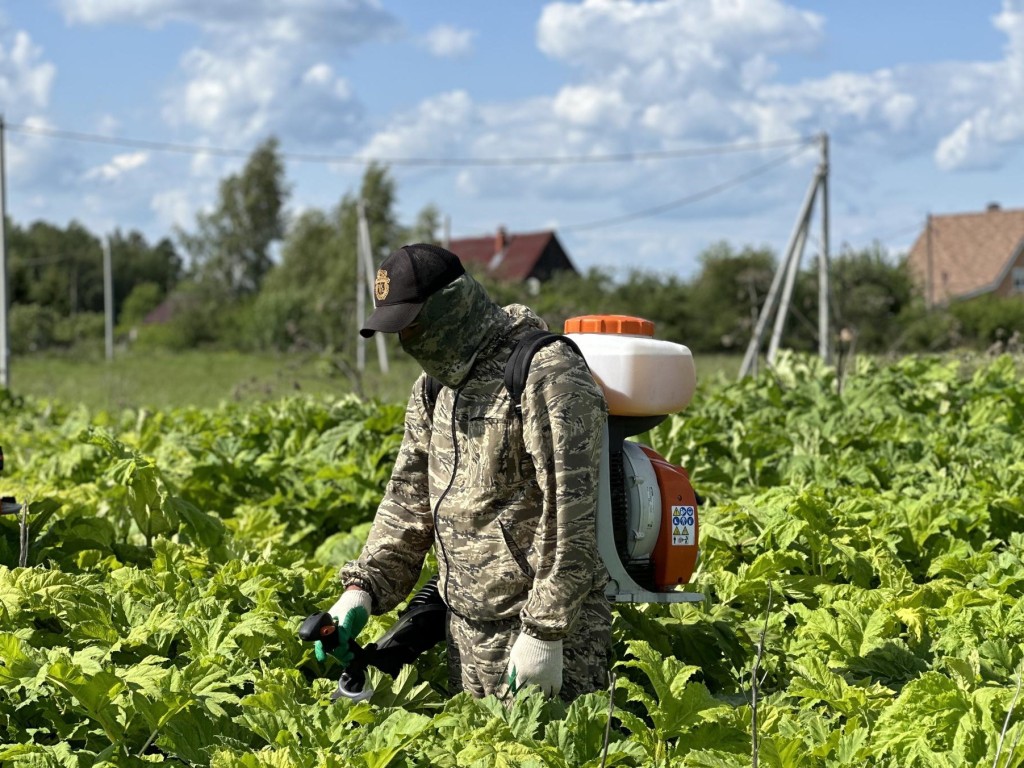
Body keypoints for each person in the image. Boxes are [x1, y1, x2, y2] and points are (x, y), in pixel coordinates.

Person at [326, 242, 612, 700]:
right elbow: (408, 497)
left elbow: (572, 516)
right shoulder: (433, 387)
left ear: (452, 307)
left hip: (544, 636)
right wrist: (364, 587)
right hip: (465, 632)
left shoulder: (546, 373)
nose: (409, 341)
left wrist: (546, 631)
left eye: (415, 324)